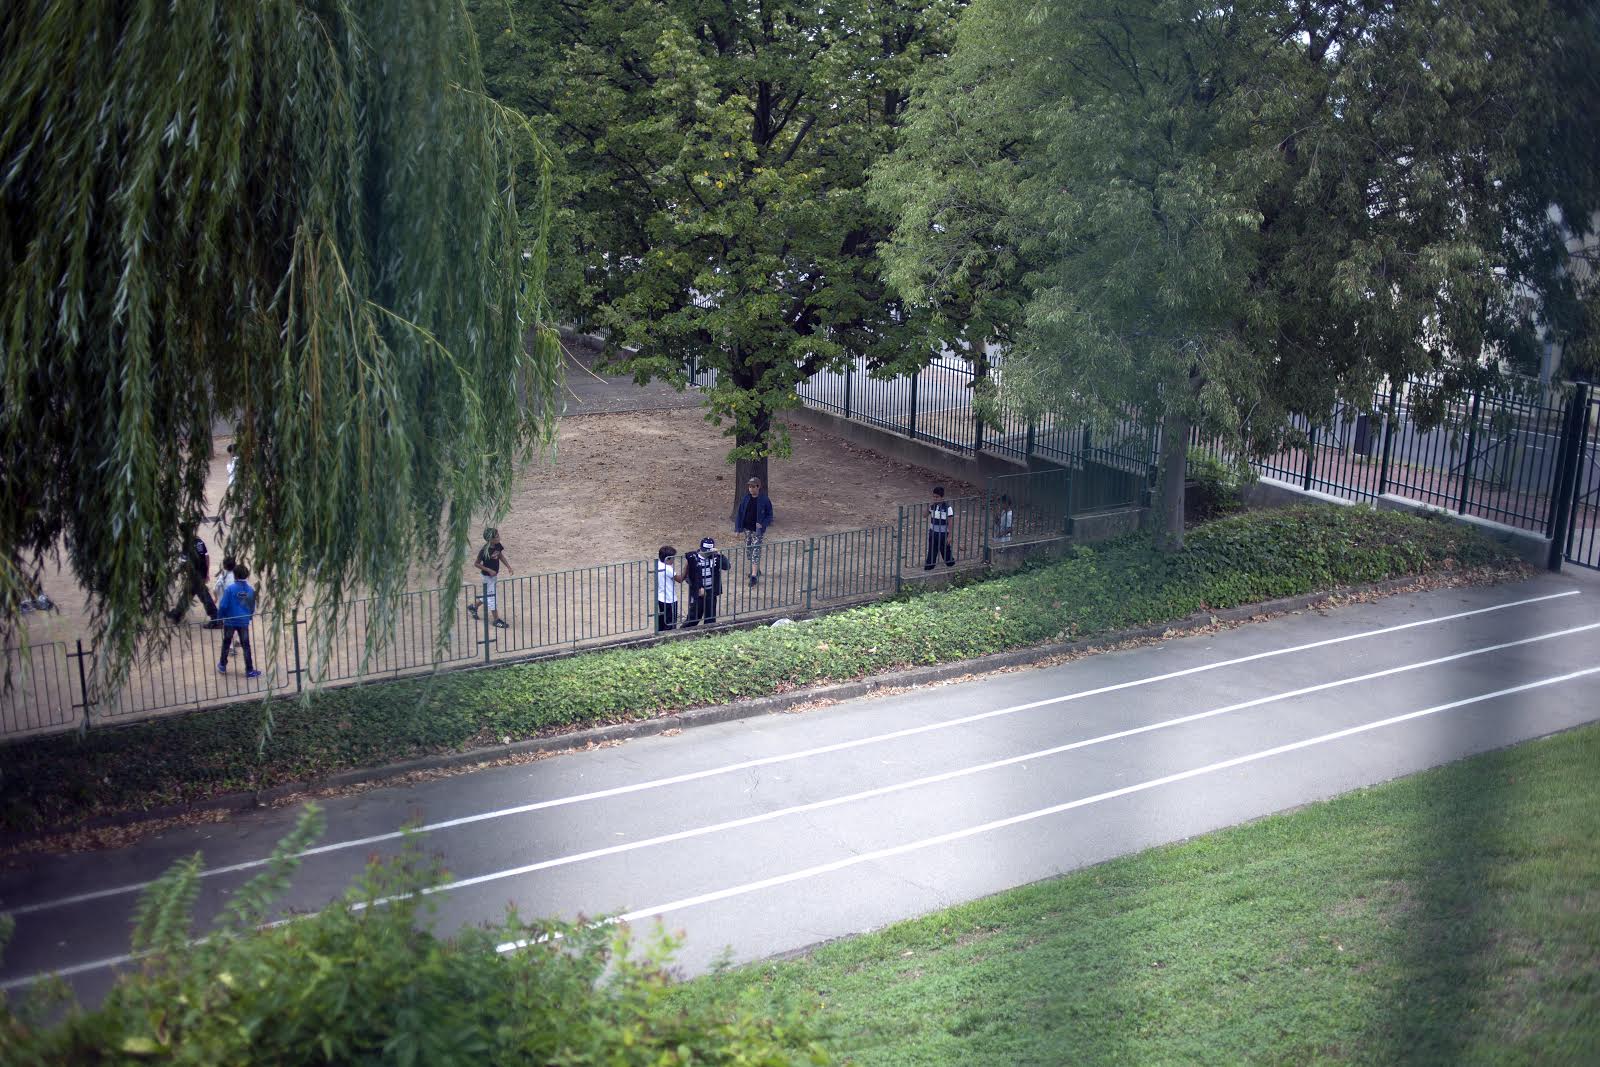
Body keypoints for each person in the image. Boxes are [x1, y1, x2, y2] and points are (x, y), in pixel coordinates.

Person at [169, 524, 220, 626]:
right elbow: (206, 557)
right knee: (188, 594)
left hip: (194, 575)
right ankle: (177, 614)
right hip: (200, 574)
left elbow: (184, 562)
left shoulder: (186, 544)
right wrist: (206, 573)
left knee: (204, 596)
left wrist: (175, 573)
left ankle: (216, 618)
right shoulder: (199, 542)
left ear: (183, 533)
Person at [216, 563, 260, 678]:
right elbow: (251, 607)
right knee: (246, 645)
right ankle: (249, 669)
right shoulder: (250, 590)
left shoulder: (230, 589)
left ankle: (222, 665)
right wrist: (248, 618)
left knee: (226, 643)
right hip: (243, 622)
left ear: (234, 575)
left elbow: (224, 605)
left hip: (230, 621)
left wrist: (220, 617)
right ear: (247, 575)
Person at [732, 476, 774, 587]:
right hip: (747, 530)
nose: (751, 489)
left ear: (758, 487)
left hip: (758, 531)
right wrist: (738, 529)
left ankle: (754, 576)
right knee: (749, 551)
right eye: (749, 487)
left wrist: (763, 524)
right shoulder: (746, 498)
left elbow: (770, 515)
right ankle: (756, 569)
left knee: (756, 550)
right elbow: (740, 514)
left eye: (753, 486)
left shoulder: (764, 499)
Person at [682, 537, 729, 627]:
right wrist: (699, 587)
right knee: (694, 617)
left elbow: (727, 566)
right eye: (705, 551)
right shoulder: (693, 558)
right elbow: (688, 577)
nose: (707, 553)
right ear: (700, 549)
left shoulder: (715, 557)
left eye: (709, 551)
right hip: (698, 593)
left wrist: (719, 554)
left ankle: (709, 634)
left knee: (710, 617)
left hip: (711, 591)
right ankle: (682, 632)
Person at [468, 540, 513, 629]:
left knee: (488, 594)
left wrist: (508, 567)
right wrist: (489, 570)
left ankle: (473, 607)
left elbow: (500, 556)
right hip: (487, 577)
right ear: (490, 539)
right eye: (496, 536)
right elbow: (476, 563)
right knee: (492, 597)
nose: (498, 537)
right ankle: (496, 620)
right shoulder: (484, 550)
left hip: (493, 576)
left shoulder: (497, 545)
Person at [655, 546, 685, 632]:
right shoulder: (668, 568)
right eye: (673, 558)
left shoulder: (658, 564)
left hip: (661, 597)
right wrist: (687, 567)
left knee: (662, 621)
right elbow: (680, 579)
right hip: (669, 599)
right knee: (670, 623)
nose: (674, 560)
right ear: (668, 559)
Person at [925, 486, 955, 569]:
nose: (935, 498)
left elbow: (950, 522)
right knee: (932, 550)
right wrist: (928, 506)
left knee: (945, 549)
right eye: (934, 497)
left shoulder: (947, 508)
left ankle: (950, 564)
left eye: (937, 497)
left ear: (942, 497)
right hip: (933, 533)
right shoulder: (933, 507)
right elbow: (924, 515)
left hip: (943, 534)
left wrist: (949, 536)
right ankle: (929, 566)